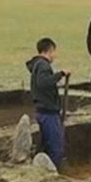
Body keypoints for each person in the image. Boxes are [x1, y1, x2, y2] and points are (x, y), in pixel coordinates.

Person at [25, 38, 71, 171]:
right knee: (55, 145)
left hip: (43, 110)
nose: (55, 55)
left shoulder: (37, 65)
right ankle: (57, 173)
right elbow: (43, 82)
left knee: (47, 144)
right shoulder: (43, 65)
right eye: (54, 52)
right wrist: (60, 74)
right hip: (48, 112)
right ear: (49, 50)